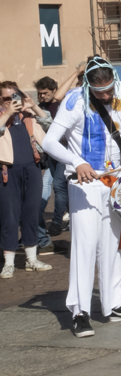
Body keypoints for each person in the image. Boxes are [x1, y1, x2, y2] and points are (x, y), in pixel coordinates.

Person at [41, 57, 121, 338]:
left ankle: (115, 305)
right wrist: (76, 161)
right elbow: (49, 141)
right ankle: (79, 312)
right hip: (85, 183)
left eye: (108, 89)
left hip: (117, 180)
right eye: (99, 91)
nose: (105, 95)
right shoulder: (75, 101)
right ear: (88, 84)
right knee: (85, 247)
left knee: (114, 245)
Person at [0, 83, 52, 278]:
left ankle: (32, 259)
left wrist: (34, 107)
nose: (11, 101)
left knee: (31, 214)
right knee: (10, 216)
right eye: (6, 98)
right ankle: (9, 263)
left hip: (32, 169)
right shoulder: (2, 116)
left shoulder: (27, 116)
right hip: (8, 171)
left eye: (14, 96)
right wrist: (6, 113)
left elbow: (50, 129)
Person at [35, 76, 68, 236]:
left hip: (64, 150)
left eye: (45, 93)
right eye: (40, 93)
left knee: (59, 186)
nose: (42, 96)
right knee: (56, 186)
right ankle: (67, 217)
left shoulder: (61, 105)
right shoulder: (39, 107)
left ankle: (57, 222)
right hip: (50, 154)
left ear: (54, 90)